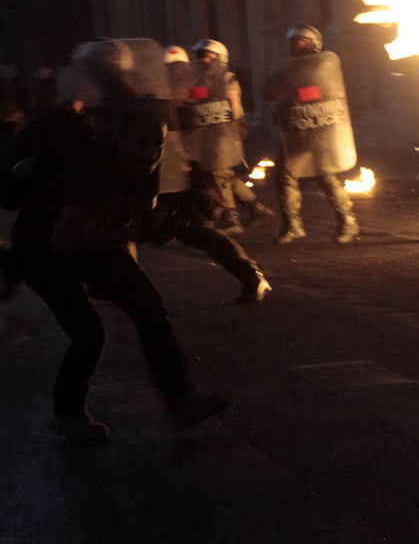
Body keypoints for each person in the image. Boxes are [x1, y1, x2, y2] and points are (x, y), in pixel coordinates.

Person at [2, 39, 228, 442]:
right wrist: (130, 234)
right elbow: (67, 239)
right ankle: (68, 415)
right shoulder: (96, 163)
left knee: (147, 306)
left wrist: (153, 227)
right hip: (45, 246)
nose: (149, 154)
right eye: (140, 144)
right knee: (89, 334)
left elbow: (140, 213)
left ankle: (180, 402)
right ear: (118, 139)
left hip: (93, 235)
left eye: (156, 145)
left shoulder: (146, 149)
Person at [158, 45, 271, 305]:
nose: (174, 74)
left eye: (177, 69)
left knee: (200, 232)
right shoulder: (152, 95)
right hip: (152, 173)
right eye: (169, 69)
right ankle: (120, 284)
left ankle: (251, 275)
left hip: (179, 174)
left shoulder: (197, 90)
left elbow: (208, 126)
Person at [270, 25, 360, 244]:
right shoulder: (286, 69)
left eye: (299, 41)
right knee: (284, 175)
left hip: (321, 131)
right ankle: (292, 225)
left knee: (326, 177)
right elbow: (269, 92)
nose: (295, 45)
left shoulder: (325, 66)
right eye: (292, 42)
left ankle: (348, 221)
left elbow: (334, 93)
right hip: (295, 131)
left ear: (313, 44)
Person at [182, 39, 273, 233]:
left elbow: (235, 108)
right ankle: (256, 207)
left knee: (219, 175)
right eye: (201, 56)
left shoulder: (226, 79)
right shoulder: (195, 81)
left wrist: (238, 127)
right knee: (225, 175)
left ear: (220, 58)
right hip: (205, 135)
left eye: (209, 56)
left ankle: (233, 219)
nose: (204, 60)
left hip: (222, 135)